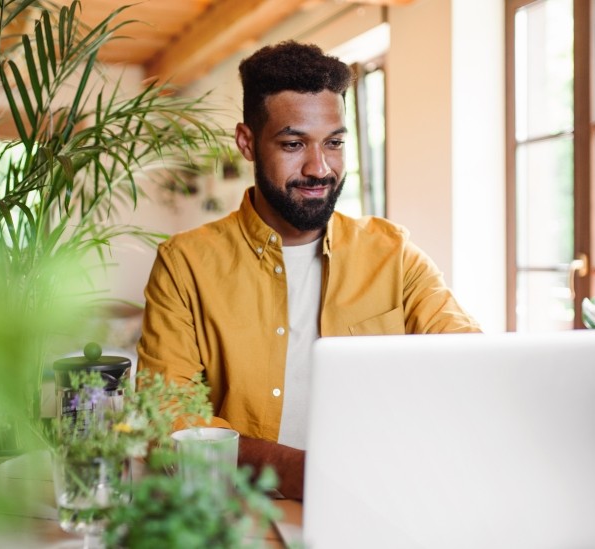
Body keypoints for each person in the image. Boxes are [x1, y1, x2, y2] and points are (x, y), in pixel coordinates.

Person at [137, 41, 481, 500]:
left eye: (335, 143)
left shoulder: (393, 254)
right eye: (294, 143)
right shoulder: (185, 264)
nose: (320, 168)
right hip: (243, 510)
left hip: (377, 501)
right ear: (247, 142)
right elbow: (167, 416)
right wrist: (301, 472)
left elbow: (470, 364)